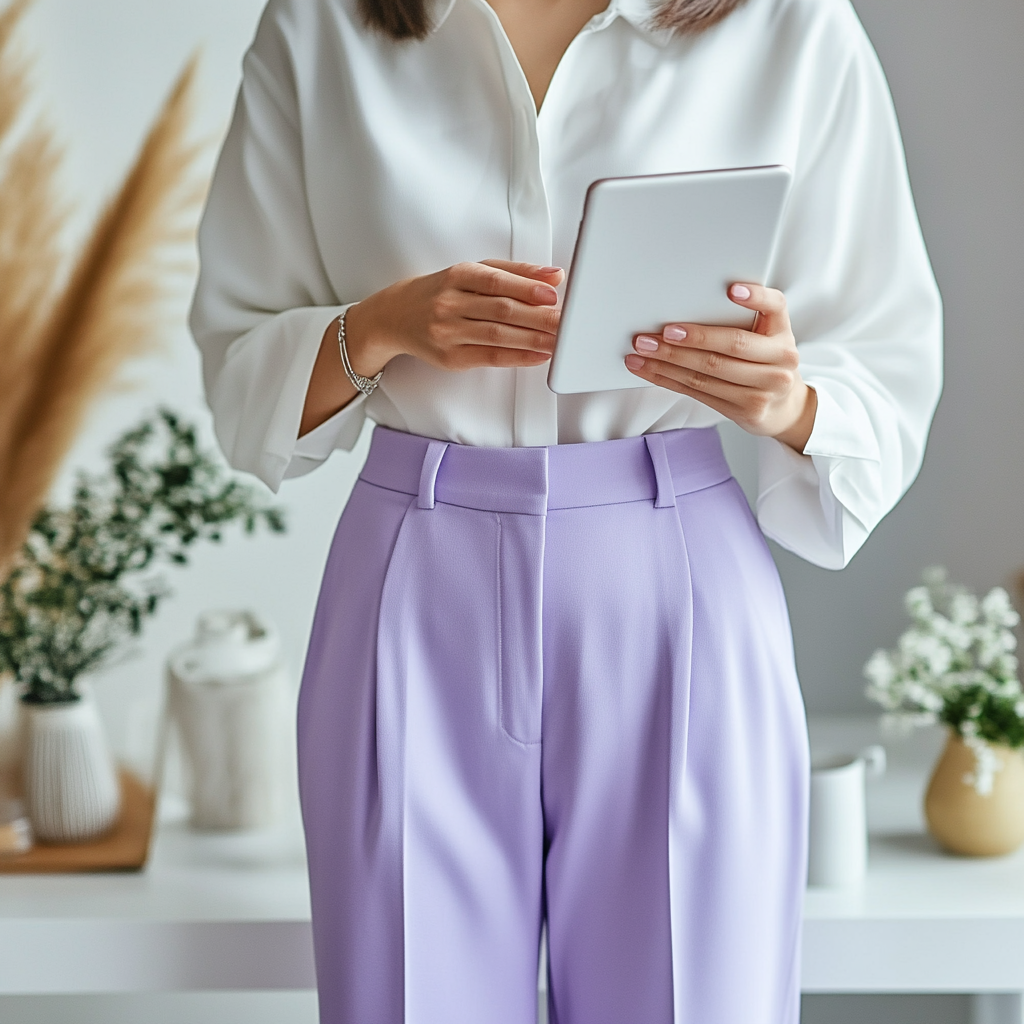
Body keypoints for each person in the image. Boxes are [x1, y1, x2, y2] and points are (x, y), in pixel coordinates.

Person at [189, 0, 942, 1019]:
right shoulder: (322, 25)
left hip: (675, 573)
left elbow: (886, 356)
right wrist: (375, 328)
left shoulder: (790, 25)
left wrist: (786, 399)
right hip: (414, 576)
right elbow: (241, 375)